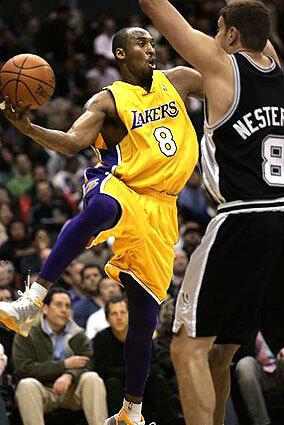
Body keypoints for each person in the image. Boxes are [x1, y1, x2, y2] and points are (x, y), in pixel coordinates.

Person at [0, 26, 202, 425]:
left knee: (144, 318)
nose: (151, 48)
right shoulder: (108, 100)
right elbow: (74, 142)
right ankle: (32, 300)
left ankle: (132, 411)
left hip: (162, 208)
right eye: (141, 43)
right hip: (125, 184)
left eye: (152, 42)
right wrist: (29, 129)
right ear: (121, 55)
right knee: (101, 207)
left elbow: (222, 81)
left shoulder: (178, 80)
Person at [139, 1, 284, 424]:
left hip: (242, 217)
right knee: (221, 350)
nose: (214, 35)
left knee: (185, 348)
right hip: (279, 219)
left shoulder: (223, 67)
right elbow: (256, 17)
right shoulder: (276, 66)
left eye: (219, 28)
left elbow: (155, 8)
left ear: (232, 36)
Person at [13, 287, 107, 425]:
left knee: (92, 378)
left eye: (68, 306)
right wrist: (64, 365)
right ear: (44, 309)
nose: (64, 310)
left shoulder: (78, 333)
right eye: (58, 305)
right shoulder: (26, 334)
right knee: (26, 384)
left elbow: (89, 362)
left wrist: (69, 375)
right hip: (42, 391)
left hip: (71, 391)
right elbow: (23, 369)